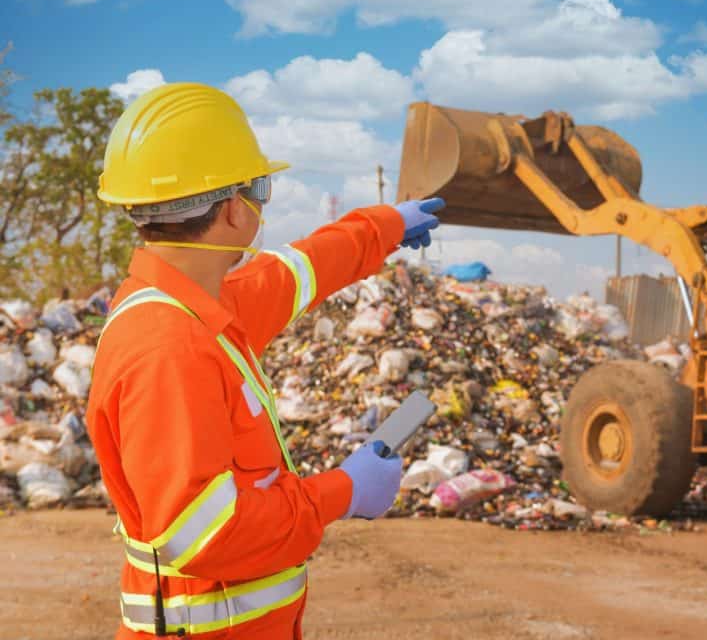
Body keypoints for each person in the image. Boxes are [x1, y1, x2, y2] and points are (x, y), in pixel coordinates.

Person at [86, 82, 444, 639]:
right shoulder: (169, 349)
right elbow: (203, 534)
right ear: (233, 210)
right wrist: (342, 492)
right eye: (261, 190)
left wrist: (385, 227)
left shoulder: (204, 305)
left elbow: (302, 269)